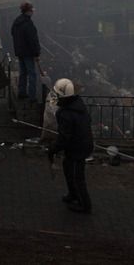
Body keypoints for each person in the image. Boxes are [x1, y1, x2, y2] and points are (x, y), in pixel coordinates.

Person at [47, 78, 94, 214]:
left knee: (76, 176)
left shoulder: (65, 114)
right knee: (68, 168)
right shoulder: (78, 105)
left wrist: (53, 148)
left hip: (77, 148)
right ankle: (73, 194)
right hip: (82, 144)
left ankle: (85, 205)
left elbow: (64, 138)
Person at [11, 2, 40, 102]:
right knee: (32, 74)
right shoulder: (28, 23)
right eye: (31, 10)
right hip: (28, 52)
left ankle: (22, 92)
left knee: (23, 72)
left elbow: (12, 33)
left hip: (20, 52)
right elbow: (33, 39)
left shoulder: (17, 22)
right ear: (28, 11)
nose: (33, 12)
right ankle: (32, 97)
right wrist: (36, 53)